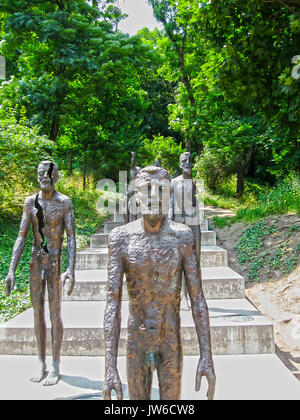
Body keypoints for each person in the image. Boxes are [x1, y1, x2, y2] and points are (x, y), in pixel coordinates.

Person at [103, 165, 215, 400]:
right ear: (137, 195)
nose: (154, 196)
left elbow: (197, 298)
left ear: (170, 195)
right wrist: (109, 366)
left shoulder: (182, 237)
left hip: (170, 341)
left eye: (161, 190)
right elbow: (112, 304)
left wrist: (207, 355)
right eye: (147, 189)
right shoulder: (121, 239)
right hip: (137, 341)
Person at [5, 161, 76, 386]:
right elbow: (22, 235)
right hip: (36, 263)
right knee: (37, 314)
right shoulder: (30, 202)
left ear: (55, 176)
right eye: (39, 174)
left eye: (47, 174)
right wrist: (11, 269)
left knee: (55, 315)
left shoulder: (64, 202)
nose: (43, 177)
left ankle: (55, 364)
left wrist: (71, 270)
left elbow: (72, 237)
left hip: (55, 264)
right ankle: (41, 361)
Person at [169, 152, 202, 310]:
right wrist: (170, 223)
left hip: (194, 225)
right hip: (179, 224)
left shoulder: (193, 182)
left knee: (195, 261)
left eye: (190, 160)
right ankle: (182, 296)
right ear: (180, 164)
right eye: (184, 161)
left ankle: (195, 295)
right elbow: (170, 205)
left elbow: (195, 203)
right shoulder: (174, 182)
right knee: (179, 261)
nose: (188, 163)